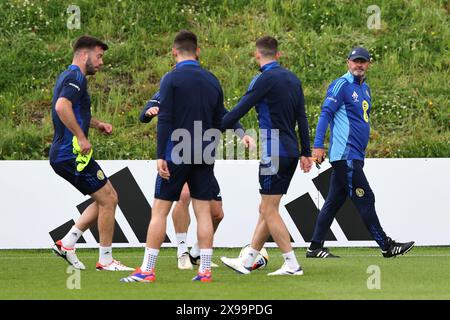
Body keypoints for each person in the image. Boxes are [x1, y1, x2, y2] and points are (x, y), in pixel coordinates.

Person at [121, 30, 225, 283]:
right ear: (198, 51)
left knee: (159, 211)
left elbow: (164, 118)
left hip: (177, 152)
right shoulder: (212, 80)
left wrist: (160, 155)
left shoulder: (171, 78)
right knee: (203, 213)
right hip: (204, 153)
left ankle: (147, 270)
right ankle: (205, 271)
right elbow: (220, 119)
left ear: (174, 52)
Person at [306, 47, 415, 258]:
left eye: (363, 61)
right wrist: (318, 146)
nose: (359, 65)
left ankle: (315, 247)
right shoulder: (341, 85)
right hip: (345, 156)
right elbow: (325, 114)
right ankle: (386, 245)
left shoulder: (366, 89)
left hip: (355, 155)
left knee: (333, 201)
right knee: (366, 197)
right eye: (356, 61)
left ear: (368, 64)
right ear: (348, 62)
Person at [220, 36, 313, 276]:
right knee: (266, 207)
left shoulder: (263, 79)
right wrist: (306, 152)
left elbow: (239, 109)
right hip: (291, 152)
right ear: (278, 55)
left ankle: (292, 264)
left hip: (274, 153)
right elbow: (302, 118)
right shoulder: (293, 79)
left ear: (257, 55)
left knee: (270, 210)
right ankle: (248, 259)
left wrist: (211, 129)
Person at [139, 92, 255, 270]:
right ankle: (182, 251)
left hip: (201, 159)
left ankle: (195, 253)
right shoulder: (170, 88)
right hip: (177, 157)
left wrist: (242, 134)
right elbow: (144, 116)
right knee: (183, 196)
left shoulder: (204, 89)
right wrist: (149, 112)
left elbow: (225, 114)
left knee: (217, 213)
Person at [50, 35, 133, 271]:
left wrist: (96, 125)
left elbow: (70, 110)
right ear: (84, 55)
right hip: (70, 154)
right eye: (99, 56)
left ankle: (67, 243)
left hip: (65, 154)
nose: (101, 62)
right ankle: (105, 260)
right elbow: (61, 107)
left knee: (106, 197)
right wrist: (81, 136)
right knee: (109, 198)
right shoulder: (76, 77)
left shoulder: (69, 76)